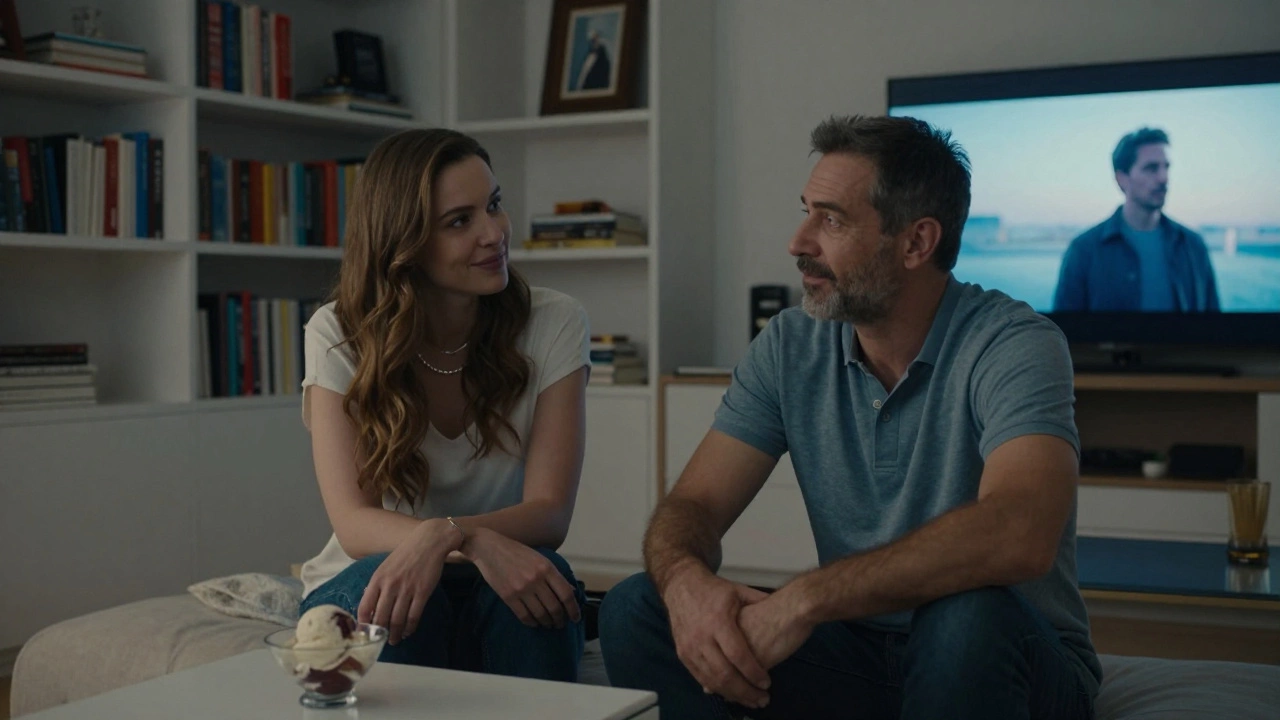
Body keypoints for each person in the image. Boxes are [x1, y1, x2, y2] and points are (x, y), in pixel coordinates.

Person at [599, 115, 1102, 720]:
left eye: (831, 220)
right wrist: (685, 583)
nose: (798, 241)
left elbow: (1020, 532)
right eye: (807, 210)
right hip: (857, 653)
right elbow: (695, 505)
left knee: (964, 614)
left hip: (1007, 656)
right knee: (635, 608)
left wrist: (805, 598)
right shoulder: (790, 344)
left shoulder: (1014, 342)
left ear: (916, 243)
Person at [296, 128, 592, 681]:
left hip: (498, 573)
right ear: (403, 243)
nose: (494, 233)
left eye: (495, 206)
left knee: (543, 585)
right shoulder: (337, 332)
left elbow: (550, 512)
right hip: (370, 572)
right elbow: (355, 524)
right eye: (460, 221)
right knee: (394, 591)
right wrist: (448, 539)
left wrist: (458, 536)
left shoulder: (555, 322)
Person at [1053, 127, 1219, 312]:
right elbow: (1063, 332)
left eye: (1166, 167)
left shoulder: (1192, 245)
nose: (1163, 178)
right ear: (1122, 178)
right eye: (1151, 168)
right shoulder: (1085, 250)